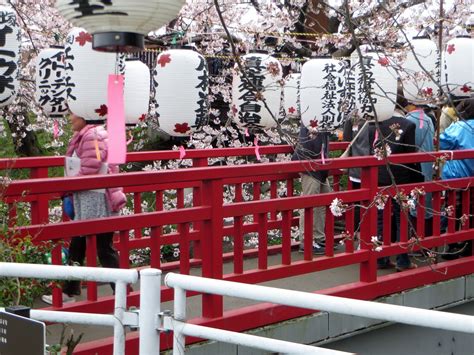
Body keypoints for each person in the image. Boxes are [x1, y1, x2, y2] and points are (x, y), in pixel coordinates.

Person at [42, 113, 126, 304]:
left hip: (95, 199)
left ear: (84, 117)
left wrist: (67, 185)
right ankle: (118, 292)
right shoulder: (92, 134)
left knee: (99, 247)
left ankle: (121, 293)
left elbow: (92, 165)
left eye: (74, 114)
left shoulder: (92, 135)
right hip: (93, 197)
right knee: (86, 245)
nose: (70, 118)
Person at [372, 103, 420, 271]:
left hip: (379, 176)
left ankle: (381, 258)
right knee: (402, 218)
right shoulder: (408, 125)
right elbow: (411, 155)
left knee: (380, 217)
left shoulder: (376, 123)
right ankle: (402, 260)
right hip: (401, 178)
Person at [440, 97, 474, 258]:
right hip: (472, 175)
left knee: (453, 211)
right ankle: (469, 244)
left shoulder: (459, 126)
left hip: (457, 175)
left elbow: (443, 143)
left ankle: (452, 245)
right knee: (472, 212)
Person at [292, 123, 332, 254]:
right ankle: (306, 240)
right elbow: (307, 145)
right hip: (309, 164)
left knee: (324, 201)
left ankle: (318, 237)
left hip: (320, 164)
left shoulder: (324, 120)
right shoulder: (310, 119)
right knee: (309, 204)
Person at [405, 104, 436, 237]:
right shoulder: (429, 119)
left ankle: (417, 236)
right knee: (426, 198)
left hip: (415, 164)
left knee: (415, 199)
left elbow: (412, 144)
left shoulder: (409, 119)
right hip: (427, 162)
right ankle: (427, 235)